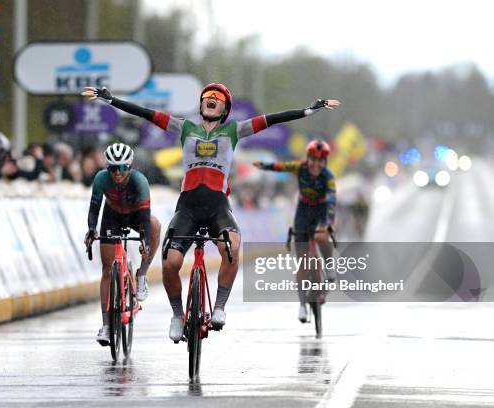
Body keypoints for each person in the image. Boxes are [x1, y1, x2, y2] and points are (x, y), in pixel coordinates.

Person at [82, 84, 340, 342]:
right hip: (188, 205)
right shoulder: (184, 128)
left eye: (217, 97)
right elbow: (145, 113)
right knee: (170, 263)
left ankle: (218, 307)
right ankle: (177, 315)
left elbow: (272, 120)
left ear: (225, 108)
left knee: (233, 247)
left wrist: (307, 111)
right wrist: (111, 100)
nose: (211, 99)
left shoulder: (234, 130)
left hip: (217, 205)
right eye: (207, 96)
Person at [84, 143, 161, 346]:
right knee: (108, 270)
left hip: (136, 215)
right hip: (112, 217)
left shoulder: (140, 181)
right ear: (107, 168)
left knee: (154, 225)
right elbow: (94, 209)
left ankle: (141, 274)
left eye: (122, 168)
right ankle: (107, 325)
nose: (117, 173)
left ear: (130, 166)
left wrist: (144, 240)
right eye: (113, 168)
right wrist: (92, 229)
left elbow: (145, 217)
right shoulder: (101, 178)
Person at [253, 140, 336, 323]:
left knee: (323, 236)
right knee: (302, 262)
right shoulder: (300, 168)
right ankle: (302, 305)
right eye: (313, 159)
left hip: (322, 211)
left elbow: (331, 202)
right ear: (307, 159)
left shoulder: (328, 176)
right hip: (303, 212)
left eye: (321, 161)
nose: (316, 164)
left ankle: (329, 266)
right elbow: (281, 166)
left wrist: (329, 223)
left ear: (326, 162)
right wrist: (264, 165)